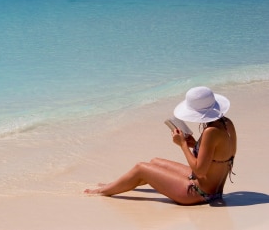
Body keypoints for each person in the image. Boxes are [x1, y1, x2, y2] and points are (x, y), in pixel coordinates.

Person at [84, 86, 237, 205]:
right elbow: (220, 154)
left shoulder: (210, 131)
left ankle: (104, 191)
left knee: (141, 168)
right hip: (213, 189)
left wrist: (183, 144)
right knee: (155, 162)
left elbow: (200, 171)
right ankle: (117, 185)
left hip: (199, 193)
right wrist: (196, 144)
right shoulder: (227, 123)